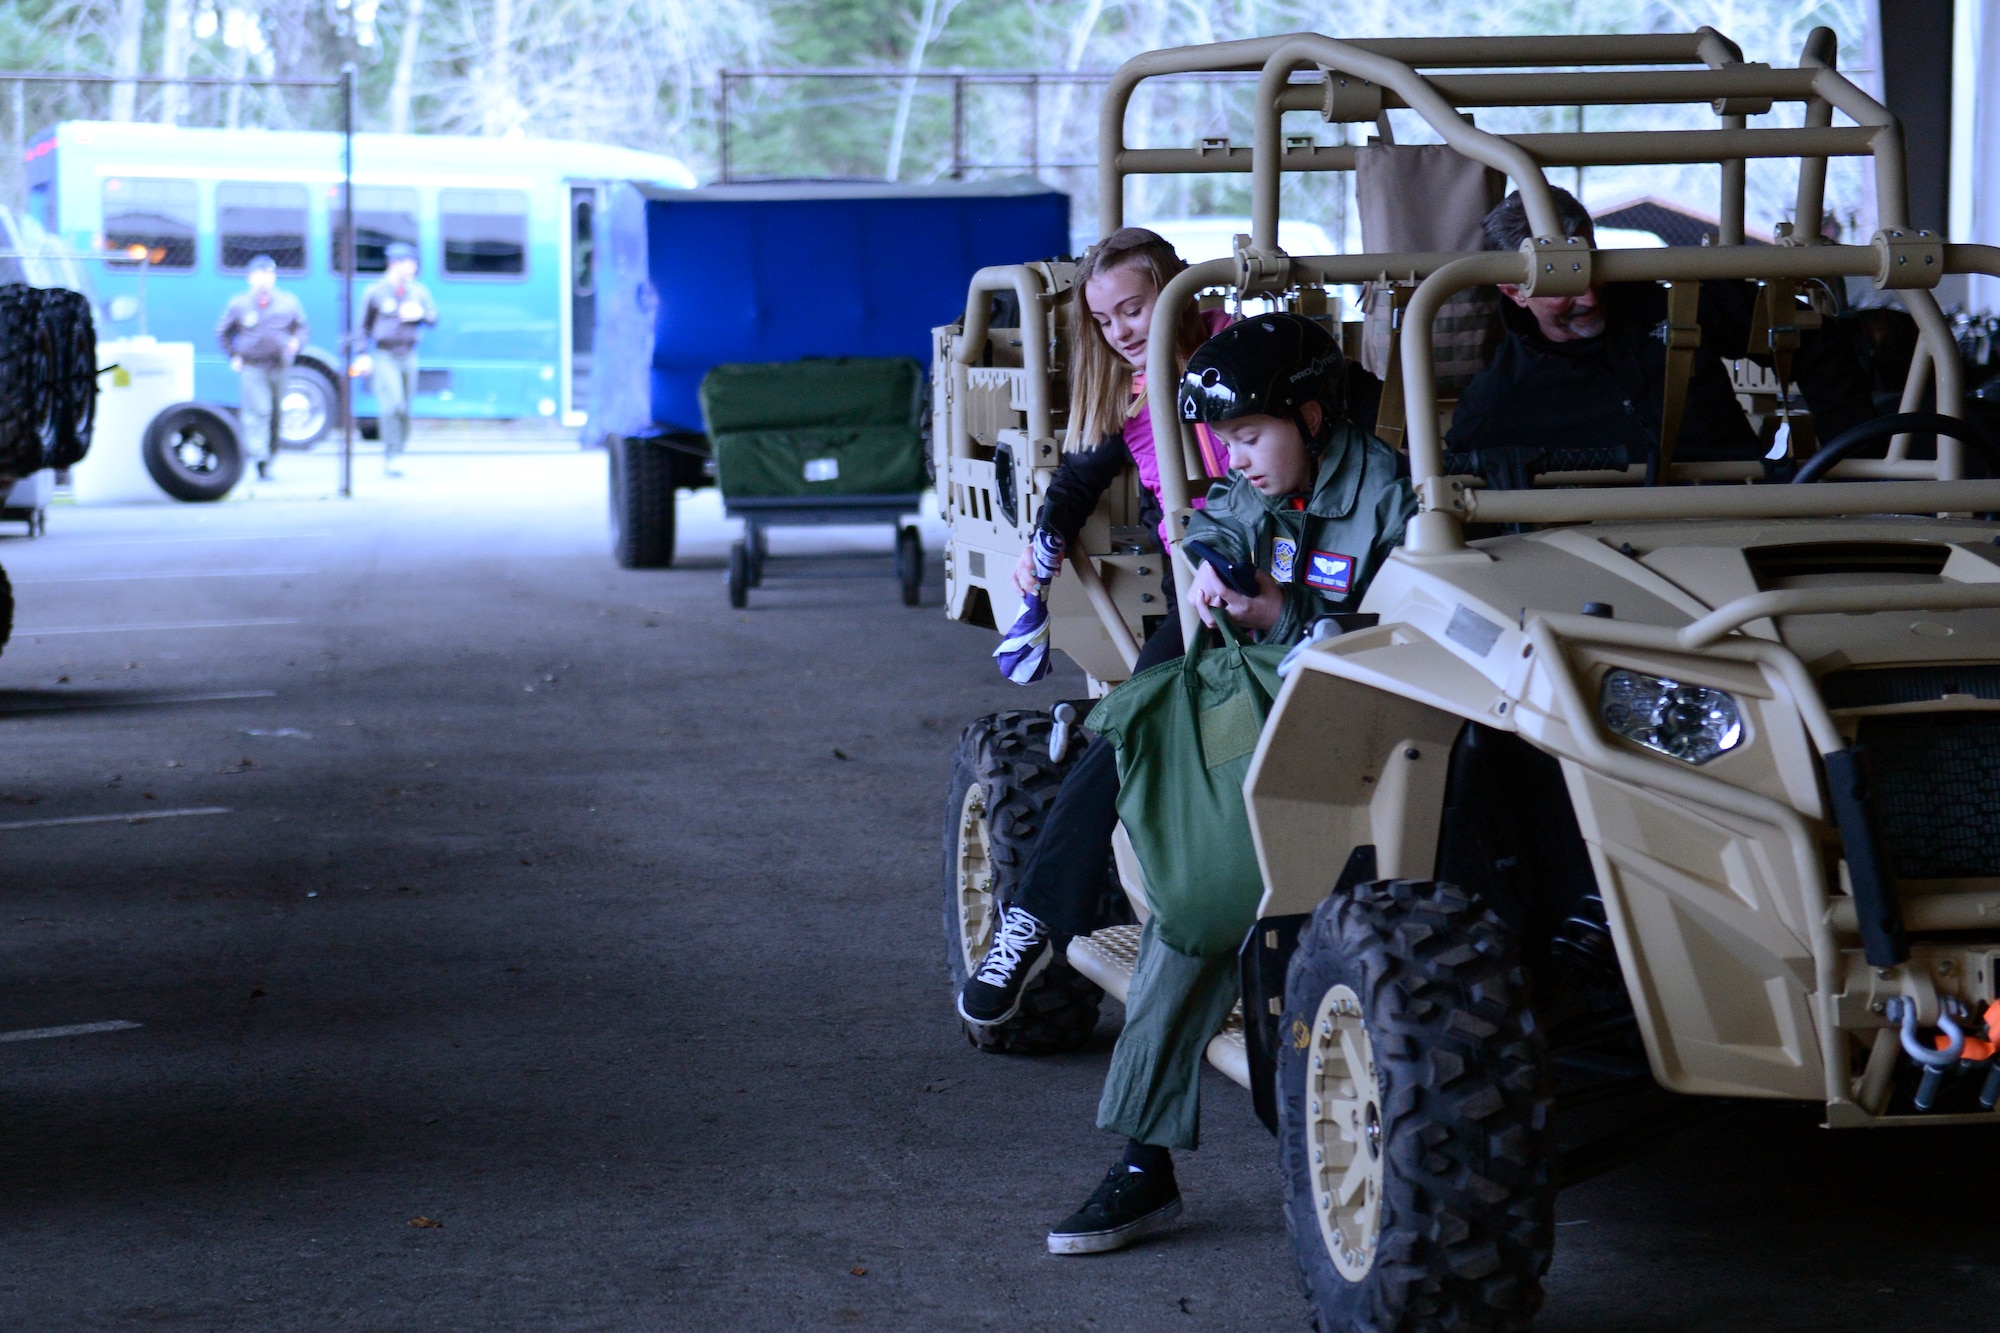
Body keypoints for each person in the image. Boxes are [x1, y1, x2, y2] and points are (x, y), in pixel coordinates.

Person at [1046, 313, 1417, 1255]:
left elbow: (1400, 621)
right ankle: (1143, 1162)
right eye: (1227, 441)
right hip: (1257, 720)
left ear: (1312, 412)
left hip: (1371, 746)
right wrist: (1215, 570)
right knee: (1194, 902)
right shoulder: (1264, 482)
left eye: (1250, 435)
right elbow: (1214, 521)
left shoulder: (1388, 493)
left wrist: (1283, 612)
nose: (1237, 458)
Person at [958, 228, 1227, 1025]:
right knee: (1127, 723)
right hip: (1199, 589)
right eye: (1105, 321)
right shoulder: (1127, 396)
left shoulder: (1238, 353)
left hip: (1280, 566)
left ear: (1176, 290)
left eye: (1135, 309)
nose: (1122, 331)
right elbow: (1077, 480)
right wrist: (1041, 546)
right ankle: (1031, 922)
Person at [1446, 186, 1873, 478]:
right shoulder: (1497, 405)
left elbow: (1815, 339)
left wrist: (1850, 466)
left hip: (1744, 524)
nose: (1591, 298)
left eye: (1592, 267)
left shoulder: (1680, 305)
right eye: (1562, 287)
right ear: (1514, 292)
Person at [216, 255, 307, 481]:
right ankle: (258, 456)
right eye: (260, 275)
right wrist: (234, 355)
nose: (265, 280)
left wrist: (297, 343)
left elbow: (302, 328)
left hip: (279, 366)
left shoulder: (288, 302)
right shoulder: (239, 304)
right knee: (260, 410)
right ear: (250, 278)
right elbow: (223, 332)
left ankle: (268, 458)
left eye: (269, 274)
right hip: (253, 366)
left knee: (275, 414)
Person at [357, 241, 438, 478]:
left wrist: (421, 314)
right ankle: (391, 455)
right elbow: (362, 327)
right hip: (385, 355)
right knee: (392, 404)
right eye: (409, 263)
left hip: (408, 354)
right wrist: (363, 356)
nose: (413, 268)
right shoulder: (375, 292)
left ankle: (399, 450)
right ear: (395, 264)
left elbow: (434, 317)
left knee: (404, 407)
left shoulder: (418, 292)